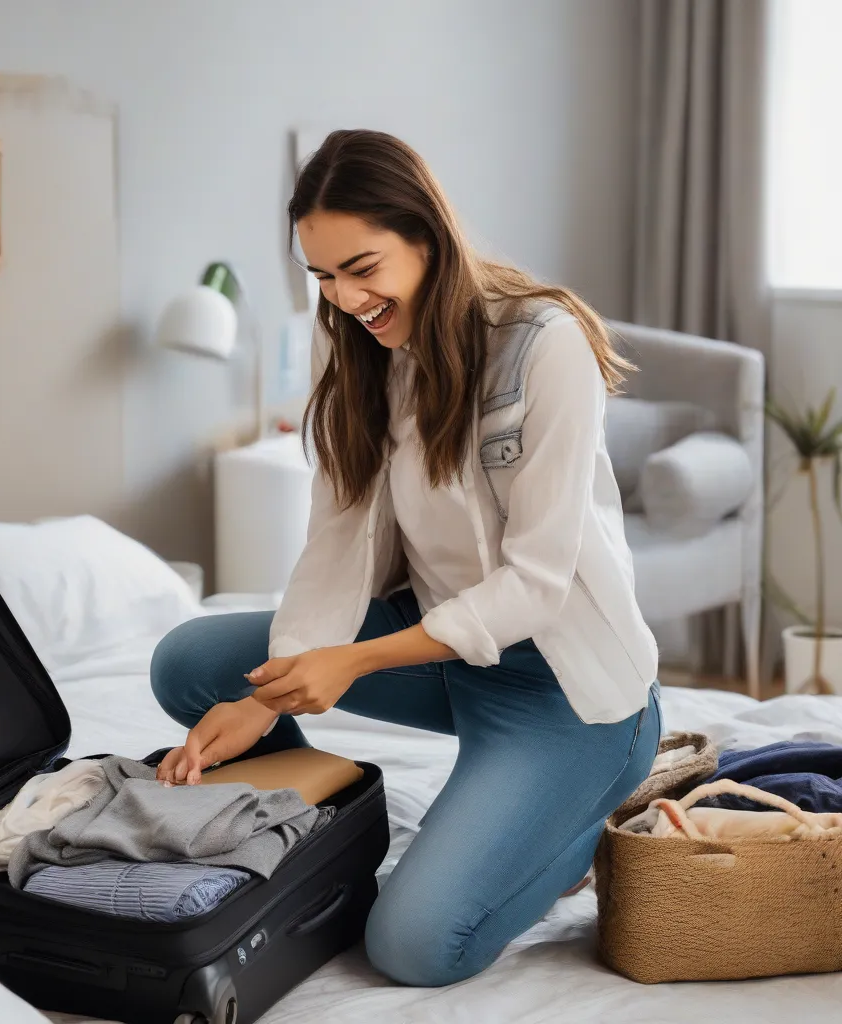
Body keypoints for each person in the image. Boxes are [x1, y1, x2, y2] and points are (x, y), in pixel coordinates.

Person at [150, 129, 661, 988]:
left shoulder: (544, 342)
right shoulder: (349, 339)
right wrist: (267, 686)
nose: (346, 298)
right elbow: (340, 533)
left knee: (413, 948)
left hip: (568, 693)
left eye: (362, 267)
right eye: (321, 276)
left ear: (426, 235)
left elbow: (538, 585)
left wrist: (351, 662)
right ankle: (314, 835)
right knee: (192, 663)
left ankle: (578, 819)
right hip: (445, 659)